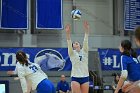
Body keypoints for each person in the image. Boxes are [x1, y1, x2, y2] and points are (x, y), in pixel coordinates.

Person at [65, 21, 89, 93]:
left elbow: (86, 40)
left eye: (76, 43)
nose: (75, 44)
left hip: (85, 76)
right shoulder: (72, 53)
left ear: (79, 45)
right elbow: (69, 42)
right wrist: (67, 33)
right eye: (74, 44)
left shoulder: (85, 51)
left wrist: (86, 29)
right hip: (75, 77)